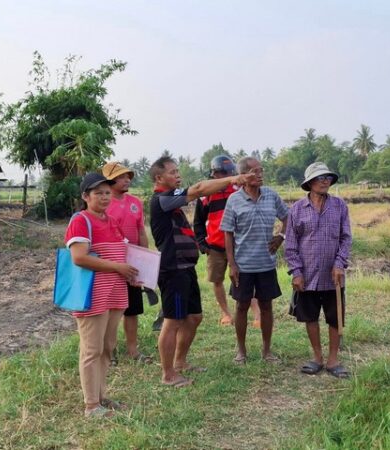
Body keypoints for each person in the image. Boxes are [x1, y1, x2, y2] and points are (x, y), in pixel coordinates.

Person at [149, 156, 254, 387]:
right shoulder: (161, 199)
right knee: (173, 320)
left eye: (178, 171)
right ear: (159, 178)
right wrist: (234, 178)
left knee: (194, 316)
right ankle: (168, 375)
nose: (178, 175)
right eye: (173, 172)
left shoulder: (172, 202)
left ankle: (180, 362)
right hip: (172, 269)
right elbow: (197, 189)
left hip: (186, 268)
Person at [65, 173, 139, 418]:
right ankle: (90, 406)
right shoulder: (81, 220)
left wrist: (134, 272)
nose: (105, 197)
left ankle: (101, 396)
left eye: (108, 192)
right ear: (86, 196)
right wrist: (118, 268)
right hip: (92, 295)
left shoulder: (111, 221)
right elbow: (79, 258)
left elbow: (123, 253)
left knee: (107, 348)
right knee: (91, 349)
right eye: (98, 193)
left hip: (115, 293)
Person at [284, 162, 352, 378]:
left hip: (333, 275)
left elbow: (346, 238)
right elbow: (291, 245)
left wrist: (340, 263)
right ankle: (317, 358)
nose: (325, 180)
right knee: (310, 317)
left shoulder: (339, 206)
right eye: (320, 177)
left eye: (327, 177)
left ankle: (333, 360)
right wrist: (296, 272)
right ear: (309, 183)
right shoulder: (296, 210)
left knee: (335, 318)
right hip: (307, 275)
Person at [220, 156, 289, 364]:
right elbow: (228, 234)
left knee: (266, 306)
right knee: (241, 306)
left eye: (261, 171)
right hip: (243, 265)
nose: (260, 175)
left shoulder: (271, 196)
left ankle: (267, 351)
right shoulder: (234, 200)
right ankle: (241, 351)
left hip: (266, 264)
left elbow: (287, 217)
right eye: (255, 171)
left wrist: (281, 237)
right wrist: (232, 265)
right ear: (244, 175)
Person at [102, 162, 152, 364]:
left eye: (128, 176)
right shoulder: (104, 203)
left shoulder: (135, 202)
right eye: (122, 177)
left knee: (132, 309)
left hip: (133, 262)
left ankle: (133, 350)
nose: (127, 180)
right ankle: (109, 352)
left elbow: (141, 231)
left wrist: (145, 258)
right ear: (110, 181)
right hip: (112, 262)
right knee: (112, 309)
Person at [193, 155, 239, 326]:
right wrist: (202, 244)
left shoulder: (237, 191)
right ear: (214, 174)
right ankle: (226, 313)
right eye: (221, 173)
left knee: (244, 278)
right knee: (217, 280)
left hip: (238, 245)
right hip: (215, 245)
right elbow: (198, 222)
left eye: (227, 173)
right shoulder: (205, 195)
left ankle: (256, 314)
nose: (225, 176)